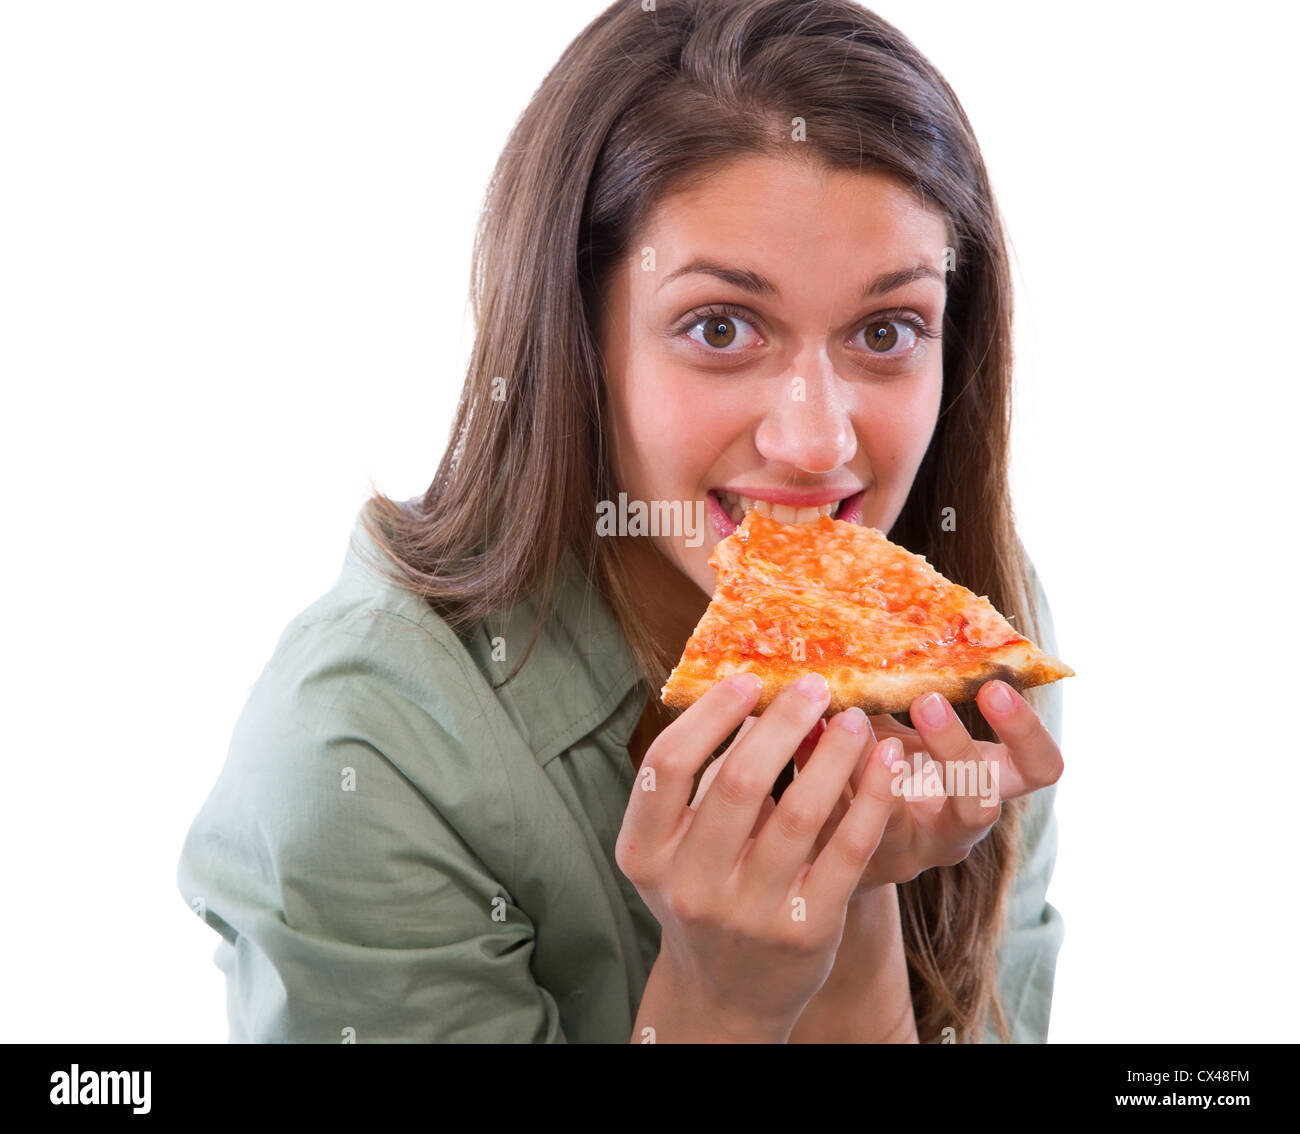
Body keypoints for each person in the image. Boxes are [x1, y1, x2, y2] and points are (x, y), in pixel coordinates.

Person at [177, 0, 1067, 1044]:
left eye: (885, 328)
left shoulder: (968, 654)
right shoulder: (362, 750)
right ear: (577, 342)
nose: (817, 441)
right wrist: (722, 1004)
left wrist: (857, 898)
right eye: (722, 327)